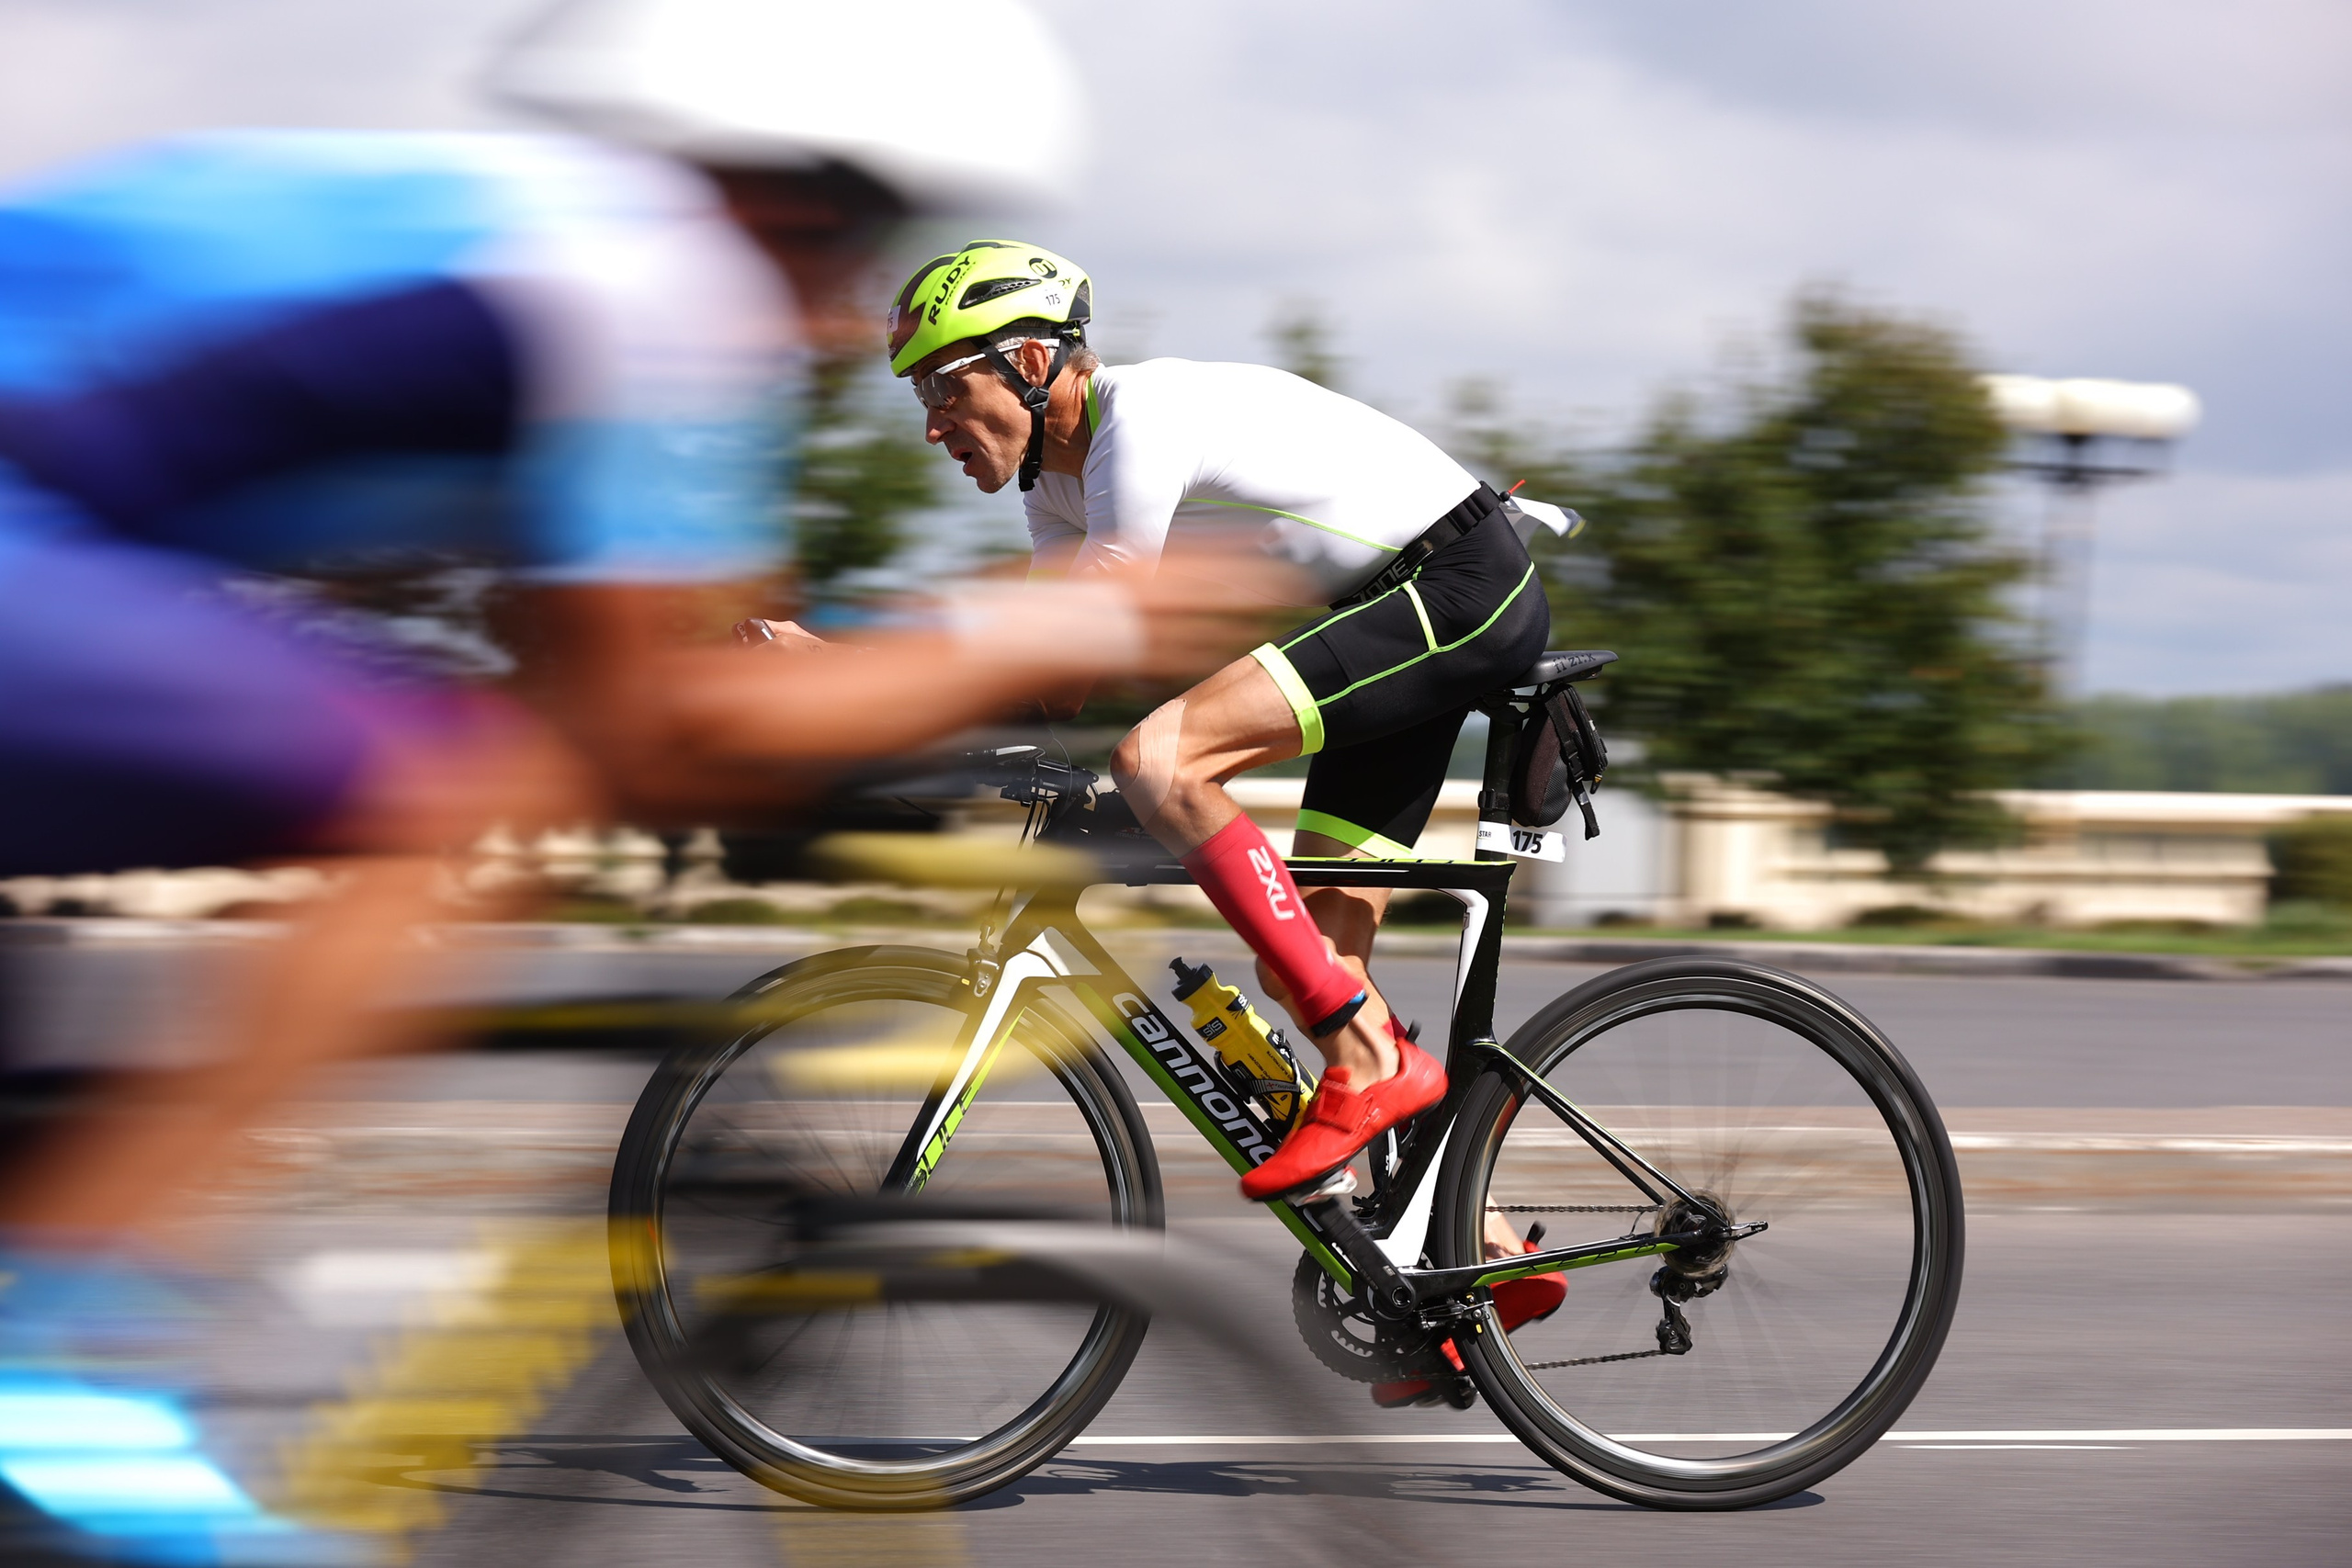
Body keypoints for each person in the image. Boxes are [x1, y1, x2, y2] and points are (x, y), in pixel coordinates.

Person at [0, 2, 1223, 1552]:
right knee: (421, 807)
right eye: (857, 252)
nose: (851, 320)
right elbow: (660, 728)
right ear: (784, 192)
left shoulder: (535, 247)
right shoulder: (644, 279)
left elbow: (606, 681)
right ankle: (68, 1362)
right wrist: (1076, 620)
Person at [888, 242, 1567, 1404]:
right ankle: (1472, 1262)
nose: (934, 422)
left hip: (1455, 590)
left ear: (1033, 358)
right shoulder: (1055, 490)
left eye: (948, 387)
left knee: (1164, 755)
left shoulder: (1137, 421)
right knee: (1318, 946)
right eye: (920, 398)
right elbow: (1058, 675)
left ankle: (1369, 1060)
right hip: (1383, 627)